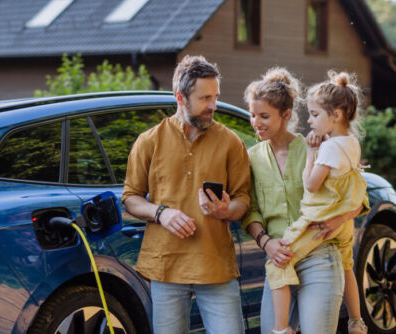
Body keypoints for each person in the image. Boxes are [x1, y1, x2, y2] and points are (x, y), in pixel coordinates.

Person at [122, 55, 251, 334]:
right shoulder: (149, 141)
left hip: (215, 266)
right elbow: (131, 197)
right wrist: (161, 213)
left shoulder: (231, 143)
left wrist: (226, 211)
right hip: (165, 267)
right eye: (205, 98)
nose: (213, 106)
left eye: (215, 97)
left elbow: (243, 200)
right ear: (180, 97)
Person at [242, 67, 367, 334]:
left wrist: (338, 220)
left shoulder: (319, 146)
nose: (256, 123)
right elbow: (250, 210)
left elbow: (354, 194)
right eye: (253, 116)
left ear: (286, 115)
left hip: (320, 256)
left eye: (264, 116)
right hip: (279, 258)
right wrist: (266, 242)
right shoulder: (251, 157)